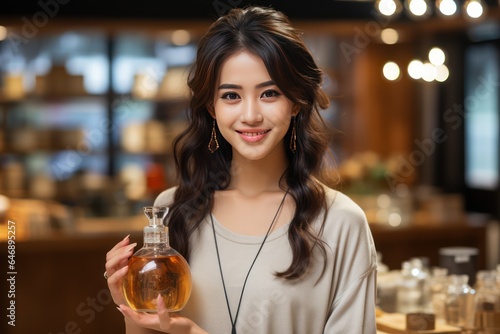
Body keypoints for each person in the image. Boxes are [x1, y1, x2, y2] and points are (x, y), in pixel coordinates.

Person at [105, 5, 377, 334]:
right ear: (212, 107)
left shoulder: (340, 222)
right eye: (231, 95)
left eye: (269, 93)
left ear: (295, 102)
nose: (250, 115)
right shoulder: (172, 211)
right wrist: (128, 305)